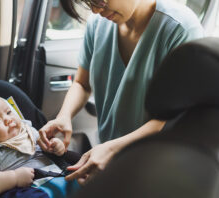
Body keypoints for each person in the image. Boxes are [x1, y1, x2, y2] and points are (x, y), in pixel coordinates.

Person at [38, 0, 204, 185]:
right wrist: (64, 116)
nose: (95, 10)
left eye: (99, 0)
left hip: (158, 166)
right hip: (113, 158)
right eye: (88, 3)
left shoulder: (179, 29)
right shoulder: (97, 24)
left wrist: (112, 150)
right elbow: (82, 84)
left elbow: (172, 118)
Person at [0, 94, 73, 196]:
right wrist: (14, 178)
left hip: (60, 175)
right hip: (30, 188)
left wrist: (56, 146)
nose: (8, 119)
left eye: (8, 112)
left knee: (85, 177)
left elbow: (48, 147)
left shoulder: (28, 131)